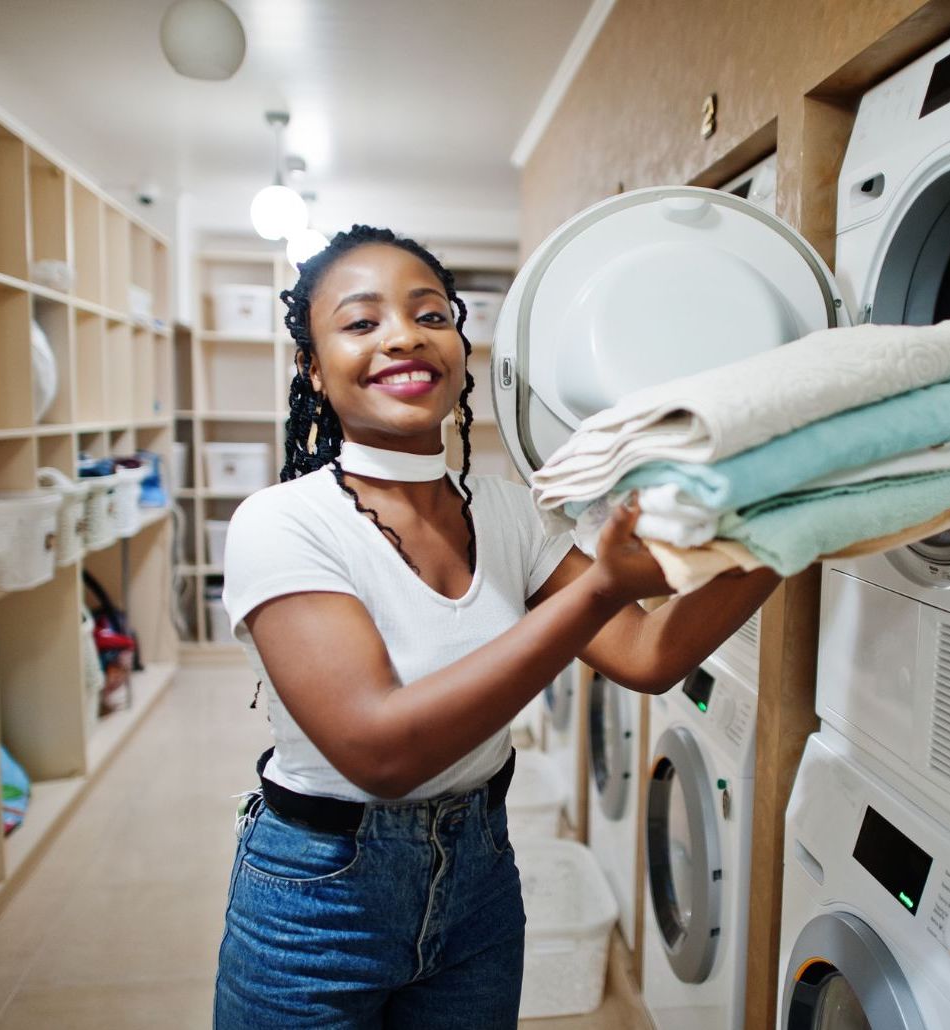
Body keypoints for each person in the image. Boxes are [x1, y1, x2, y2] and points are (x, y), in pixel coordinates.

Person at [214, 225, 779, 1028]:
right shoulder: (281, 524)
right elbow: (380, 753)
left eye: (430, 316)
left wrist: (800, 522)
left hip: (478, 877)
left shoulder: (511, 511)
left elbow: (650, 653)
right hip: (319, 898)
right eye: (361, 322)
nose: (404, 337)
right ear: (311, 365)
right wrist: (595, 592)